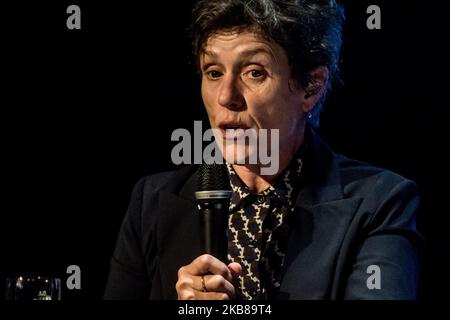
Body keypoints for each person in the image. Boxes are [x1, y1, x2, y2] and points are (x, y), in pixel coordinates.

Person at [104, 0, 421, 300]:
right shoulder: (150, 203)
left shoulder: (381, 202)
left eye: (254, 72)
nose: (226, 96)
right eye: (213, 72)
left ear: (311, 87)